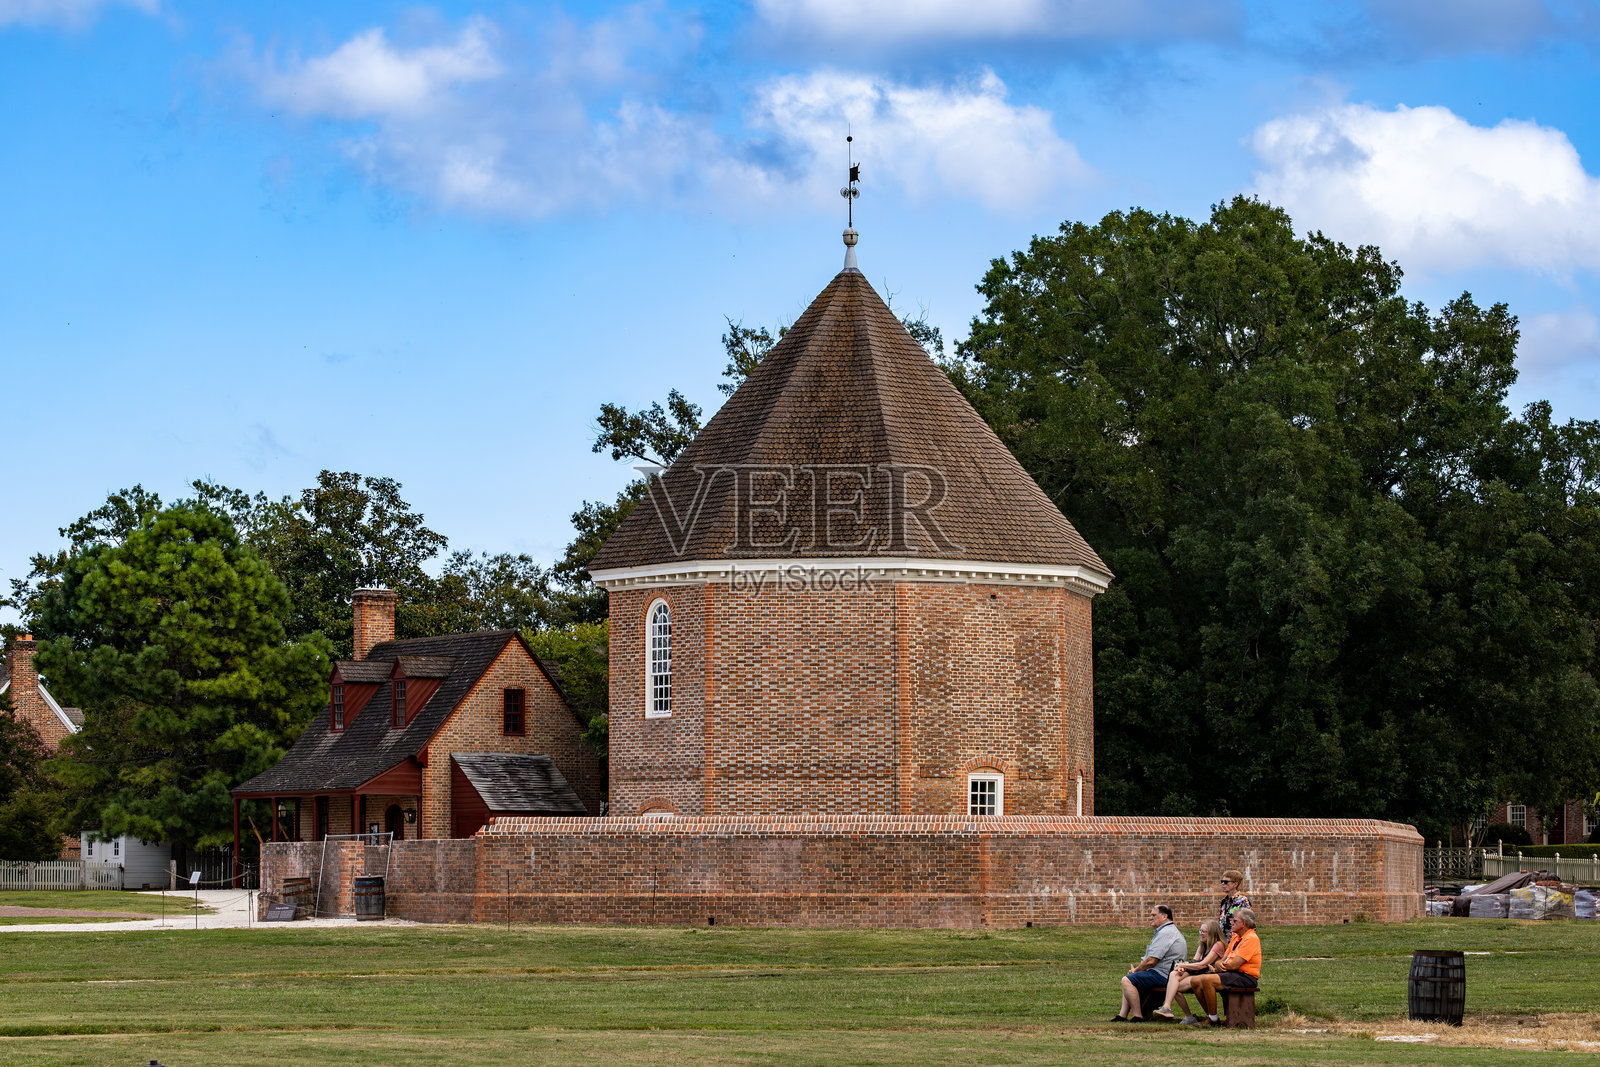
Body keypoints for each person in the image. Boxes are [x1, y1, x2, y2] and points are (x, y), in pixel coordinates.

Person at [1185, 907, 1262, 1026]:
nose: (1232, 922)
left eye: (1235, 921)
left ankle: (1213, 1020)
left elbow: (1235, 964)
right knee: (1195, 981)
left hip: (1245, 976)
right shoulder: (1236, 937)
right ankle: (1211, 1015)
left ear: (1244, 923)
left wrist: (1220, 966)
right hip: (1232, 973)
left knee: (1207, 980)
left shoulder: (1251, 938)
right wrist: (1219, 965)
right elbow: (1222, 960)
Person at [1113, 904, 1187, 1022]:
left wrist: (1136, 970)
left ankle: (1138, 1016)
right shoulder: (1168, 930)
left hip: (1165, 975)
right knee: (1131, 978)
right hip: (1166, 973)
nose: (1150, 918)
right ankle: (1122, 1016)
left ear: (1164, 916)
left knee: (1127, 980)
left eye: (1153, 915)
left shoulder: (1166, 933)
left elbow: (1151, 961)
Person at [1150, 919, 1225, 1023]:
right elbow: (1195, 961)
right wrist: (1184, 967)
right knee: (1174, 977)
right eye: (1200, 931)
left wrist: (1184, 965)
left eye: (1204, 932)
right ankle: (1181, 1014)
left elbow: (1201, 965)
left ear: (1212, 933)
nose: (1201, 934)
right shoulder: (1202, 944)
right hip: (1200, 973)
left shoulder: (1218, 945)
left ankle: (1170, 1009)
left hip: (1209, 976)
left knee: (1173, 985)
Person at [1218, 870, 1251, 937]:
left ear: (1235, 884)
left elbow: (1249, 924)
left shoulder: (1243, 901)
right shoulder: (1224, 901)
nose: (1223, 884)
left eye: (1226, 882)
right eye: (1222, 881)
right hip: (1223, 941)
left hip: (1236, 941)